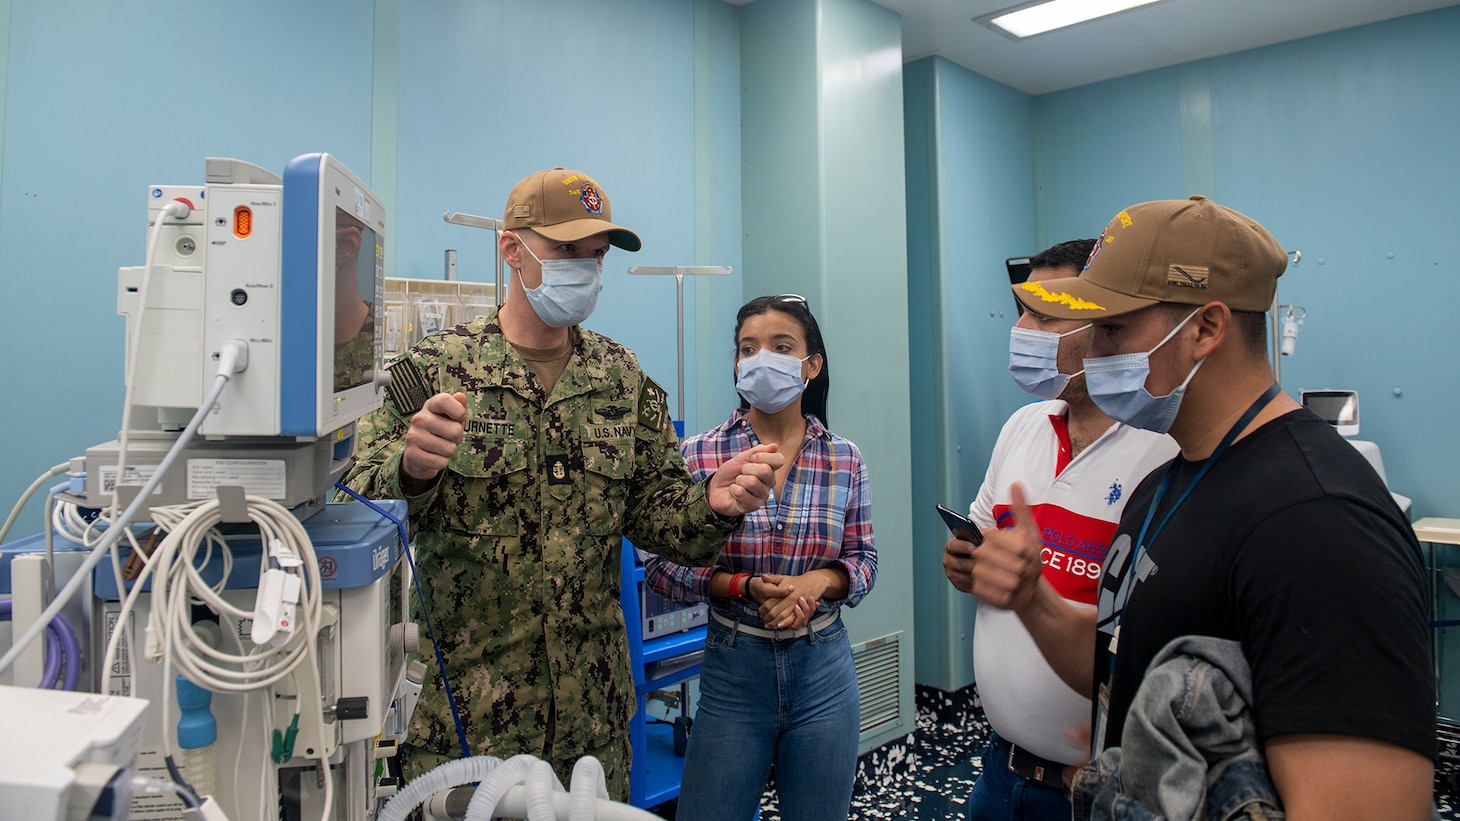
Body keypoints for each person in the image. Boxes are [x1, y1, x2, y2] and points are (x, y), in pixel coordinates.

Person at [973, 196, 1434, 818]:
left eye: (1111, 329)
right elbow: (1123, 659)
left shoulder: (1319, 520)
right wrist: (1032, 597)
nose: (1090, 351)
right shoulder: (1166, 484)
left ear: (1205, 329)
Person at [339, 167, 784, 799]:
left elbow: (661, 515)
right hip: (468, 723)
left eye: (596, 255)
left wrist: (713, 504)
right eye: (566, 251)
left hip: (591, 727)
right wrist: (410, 469)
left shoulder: (620, 378)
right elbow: (351, 503)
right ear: (512, 249)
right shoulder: (436, 371)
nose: (586, 269)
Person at [942, 239, 1178, 820]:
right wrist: (966, 565)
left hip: (1099, 787)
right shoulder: (1023, 426)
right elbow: (982, 535)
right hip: (1001, 767)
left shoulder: (1166, 452)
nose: (1021, 327)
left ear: (1105, 325)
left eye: (1044, 314)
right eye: (1023, 309)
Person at [643, 294, 877, 821]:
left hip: (824, 667)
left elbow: (864, 560)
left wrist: (817, 582)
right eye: (748, 349)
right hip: (733, 665)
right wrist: (743, 587)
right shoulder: (699, 455)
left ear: (811, 365)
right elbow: (661, 568)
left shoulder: (844, 458)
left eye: (780, 346)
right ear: (736, 365)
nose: (761, 359)